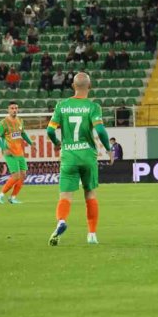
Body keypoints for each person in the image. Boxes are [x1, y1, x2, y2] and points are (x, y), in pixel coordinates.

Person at [45, 72, 112, 245]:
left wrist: (57, 143)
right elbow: (101, 131)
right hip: (88, 156)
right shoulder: (93, 107)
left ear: (73, 86)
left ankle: (61, 221)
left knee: (65, 195)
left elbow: (50, 131)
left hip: (69, 156)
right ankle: (91, 234)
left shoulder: (62, 106)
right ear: (89, 86)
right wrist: (109, 149)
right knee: (90, 193)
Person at [0, 102, 34, 204]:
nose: (14, 110)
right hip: (10, 153)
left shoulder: (20, 120)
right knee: (16, 176)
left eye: (16, 108)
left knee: (23, 175)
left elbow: (23, 133)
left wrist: (31, 143)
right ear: (8, 109)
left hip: (19, 152)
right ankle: (0, 195)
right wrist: (4, 148)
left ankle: (13, 197)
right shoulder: (3, 123)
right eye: (12, 108)